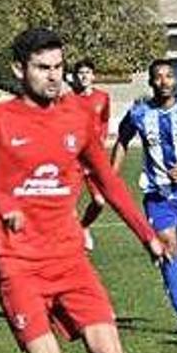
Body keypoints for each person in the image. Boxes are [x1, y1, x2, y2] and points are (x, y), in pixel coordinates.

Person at [0, 27, 165, 353]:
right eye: (43, 67)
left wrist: (146, 235)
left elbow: (108, 181)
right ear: (18, 69)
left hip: (71, 261)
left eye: (59, 66)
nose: (54, 75)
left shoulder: (78, 117)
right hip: (18, 264)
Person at [112, 58, 177, 336]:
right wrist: (111, 177)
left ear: (176, 81)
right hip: (157, 195)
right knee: (169, 250)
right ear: (150, 82)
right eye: (158, 77)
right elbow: (122, 140)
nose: (164, 81)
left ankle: (171, 276)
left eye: (169, 76)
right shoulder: (138, 114)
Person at [70, 59, 112, 252]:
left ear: (93, 76)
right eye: (80, 73)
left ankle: (84, 226)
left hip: (94, 159)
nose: (84, 76)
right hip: (73, 160)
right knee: (67, 203)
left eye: (87, 72)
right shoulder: (69, 99)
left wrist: (102, 139)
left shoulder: (103, 97)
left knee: (99, 201)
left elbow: (104, 121)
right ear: (75, 77)